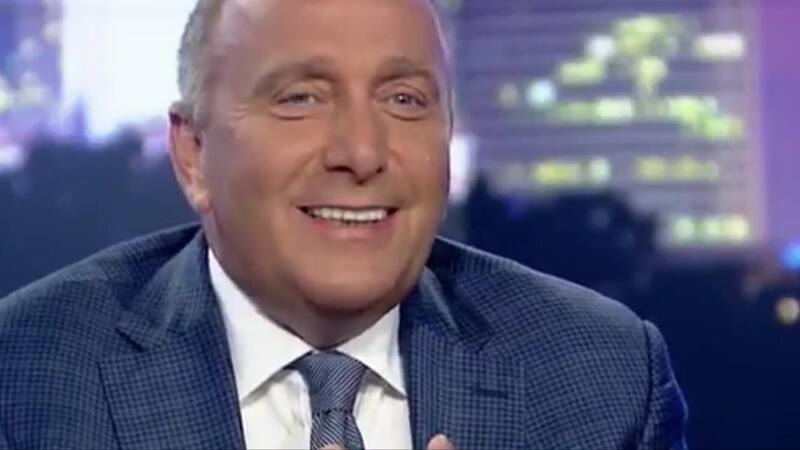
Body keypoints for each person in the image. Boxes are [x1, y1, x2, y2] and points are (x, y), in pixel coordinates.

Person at [0, 0, 688, 449]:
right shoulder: (26, 382)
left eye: (404, 99)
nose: (361, 152)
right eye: (300, 98)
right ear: (194, 154)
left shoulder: (600, 379)